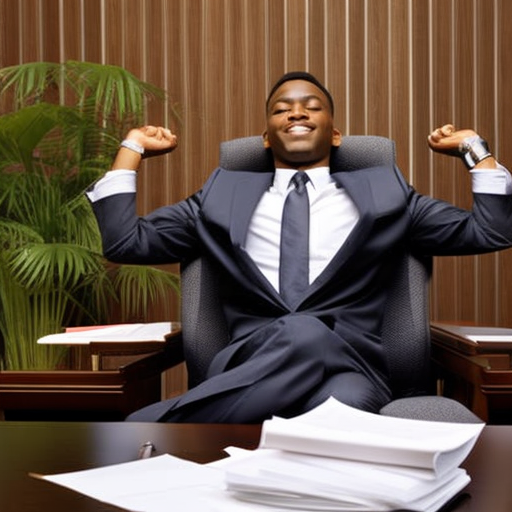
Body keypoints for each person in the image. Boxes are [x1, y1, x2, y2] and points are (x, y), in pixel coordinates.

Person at [86, 71, 512, 423]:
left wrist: (475, 148)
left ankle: (160, 428)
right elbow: (126, 242)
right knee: (307, 341)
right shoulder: (221, 195)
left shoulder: (387, 193)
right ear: (267, 138)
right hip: (250, 360)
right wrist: (131, 149)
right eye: (281, 108)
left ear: (337, 134)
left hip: (353, 364)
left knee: (343, 403)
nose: (296, 111)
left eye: (311, 106)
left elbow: (489, 232)